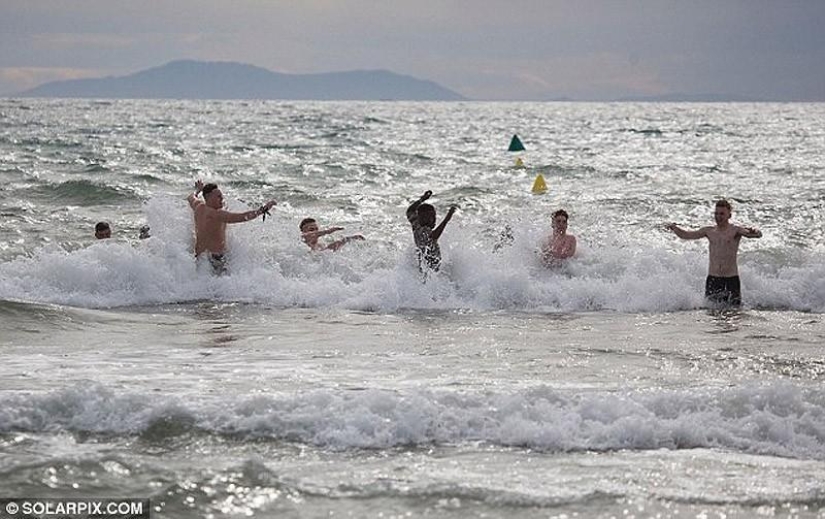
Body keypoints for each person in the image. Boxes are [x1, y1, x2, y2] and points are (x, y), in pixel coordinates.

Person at [666, 199, 762, 307]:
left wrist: (756, 232)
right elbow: (687, 235)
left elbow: (752, 234)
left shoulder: (735, 230)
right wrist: (675, 228)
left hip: (731, 280)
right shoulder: (709, 231)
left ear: (729, 215)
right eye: (716, 213)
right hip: (713, 279)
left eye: (722, 214)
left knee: (734, 315)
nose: (718, 216)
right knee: (712, 317)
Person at [187, 180, 276, 275]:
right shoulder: (216, 214)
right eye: (218, 196)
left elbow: (191, 197)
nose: (222, 198)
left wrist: (198, 190)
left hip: (200, 258)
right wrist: (262, 210)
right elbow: (241, 217)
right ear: (208, 197)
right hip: (215, 261)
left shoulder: (198, 206)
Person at [406, 190, 457, 272]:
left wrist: (422, 199)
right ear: (422, 218)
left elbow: (410, 210)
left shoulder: (416, 225)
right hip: (430, 268)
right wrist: (446, 220)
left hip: (425, 266)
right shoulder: (423, 230)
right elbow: (433, 236)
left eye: (434, 216)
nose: (433, 219)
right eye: (430, 217)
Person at [300, 218, 365, 251]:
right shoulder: (301, 243)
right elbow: (310, 235)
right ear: (303, 232)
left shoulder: (320, 246)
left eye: (316, 229)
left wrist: (348, 239)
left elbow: (330, 249)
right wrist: (328, 231)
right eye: (311, 229)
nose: (315, 231)